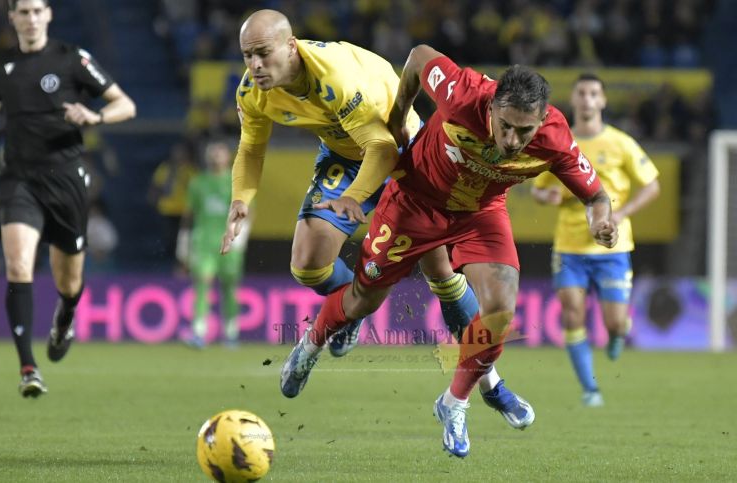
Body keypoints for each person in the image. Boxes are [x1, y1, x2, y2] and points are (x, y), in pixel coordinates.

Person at [280, 44, 618, 457]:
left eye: (524, 131)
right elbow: (420, 57)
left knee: (500, 309)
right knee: (364, 298)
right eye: (505, 126)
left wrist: (601, 222)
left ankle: (454, 404)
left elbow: (597, 196)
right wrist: (399, 113)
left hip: (480, 213)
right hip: (415, 202)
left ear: (543, 120)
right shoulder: (463, 93)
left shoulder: (556, 140)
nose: (512, 141)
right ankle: (311, 345)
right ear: (492, 106)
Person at [222, 10, 531, 426]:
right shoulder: (252, 91)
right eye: (247, 56)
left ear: (290, 46)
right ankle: (348, 314)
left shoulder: (335, 79)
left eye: (263, 53)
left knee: (441, 274)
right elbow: (251, 146)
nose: (255, 65)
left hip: (407, 154)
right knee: (307, 265)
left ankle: (491, 385)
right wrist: (241, 198)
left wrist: (353, 197)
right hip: (347, 157)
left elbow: (384, 149)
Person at [0, 0, 136, 398]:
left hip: (66, 181)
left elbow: (125, 104)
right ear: (13, 18)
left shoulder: (72, 59)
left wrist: (95, 118)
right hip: (18, 178)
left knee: (69, 283)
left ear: (49, 15)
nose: (31, 18)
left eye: (38, 11)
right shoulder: (0, 64)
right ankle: (28, 367)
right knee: (18, 264)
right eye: (23, 12)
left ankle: (64, 319)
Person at [531, 73, 659, 407]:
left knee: (614, 323)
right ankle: (590, 389)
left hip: (612, 245)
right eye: (582, 93)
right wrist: (547, 198)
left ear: (602, 101)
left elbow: (652, 185)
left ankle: (618, 332)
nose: (587, 99)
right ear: (574, 100)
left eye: (593, 94)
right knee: (572, 314)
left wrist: (621, 213)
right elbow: (537, 188)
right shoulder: (559, 141)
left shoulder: (620, 143)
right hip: (569, 245)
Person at [178, 140, 248, 348]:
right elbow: (189, 215)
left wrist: (240, 238)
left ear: (228, 156)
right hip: (204, 242)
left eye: (220, 152)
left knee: (230, 287)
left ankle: (231, 334)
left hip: (230, 241)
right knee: (202, 284)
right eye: (212, 152)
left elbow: (246, 213)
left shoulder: (236, 183)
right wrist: (183, 242)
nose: (216, 156)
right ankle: (199, 332)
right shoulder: (198, 182)